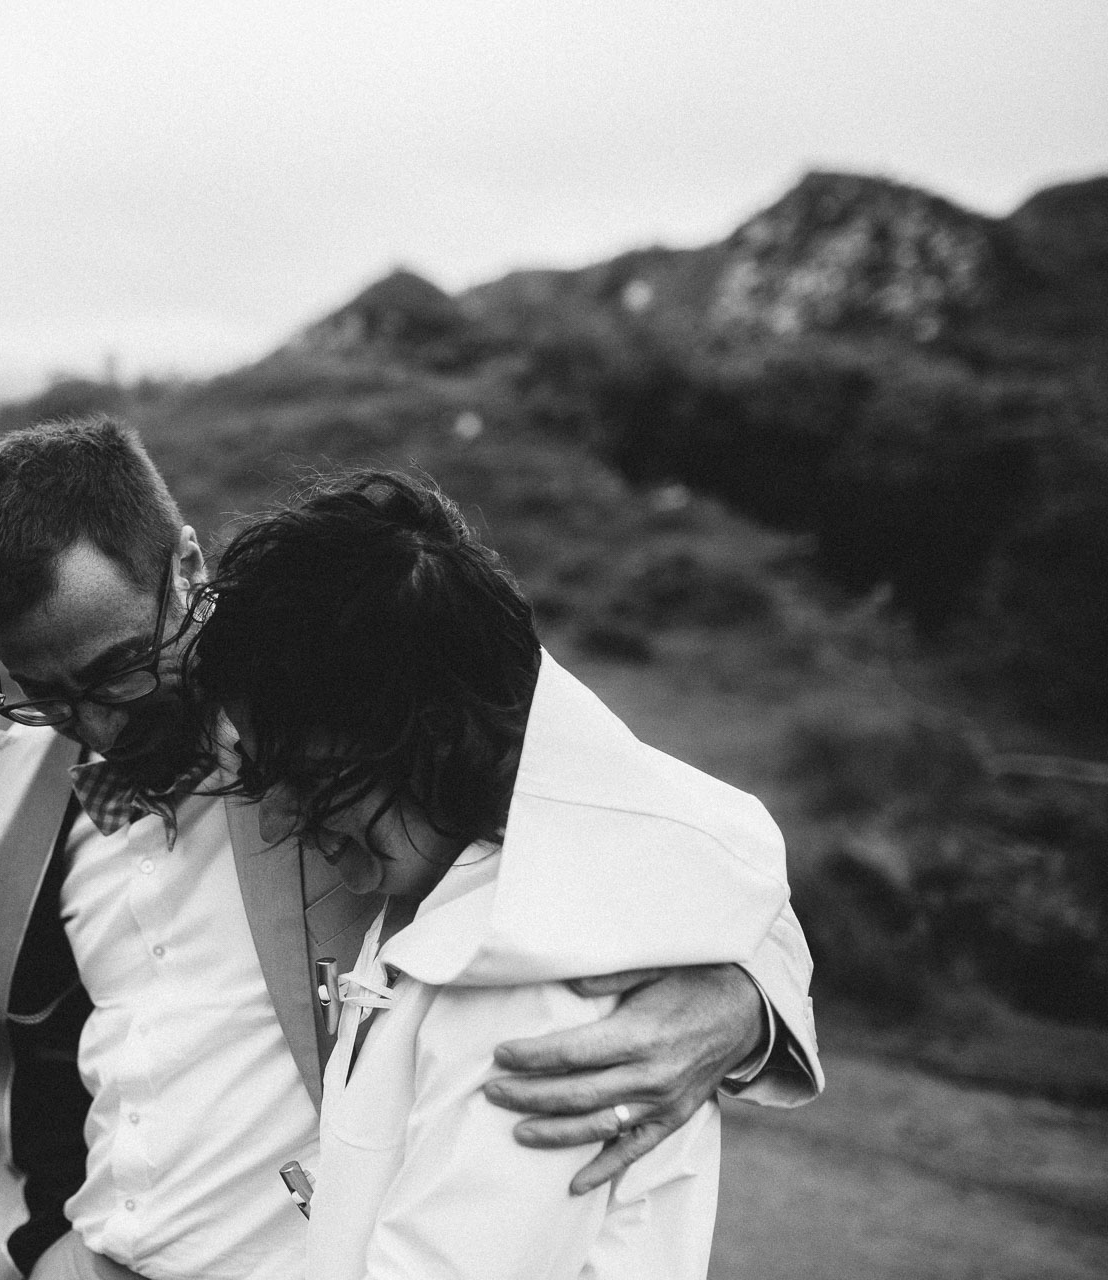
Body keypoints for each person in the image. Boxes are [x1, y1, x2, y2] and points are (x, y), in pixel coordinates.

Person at [0, 419, 820, 1280]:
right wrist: (41, 1252)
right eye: (43, 693)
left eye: (115, 670)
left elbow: (674, 831)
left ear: (185, 567)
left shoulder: (353, 706)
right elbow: (16, 1051)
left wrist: (740, 1000)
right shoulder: (12, 800)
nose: (94, 725)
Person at [187, 469, 793, 1279]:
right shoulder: (456, 879)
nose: (274, 823)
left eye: (308, 777)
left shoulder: (531, 990)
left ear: (436, 737)